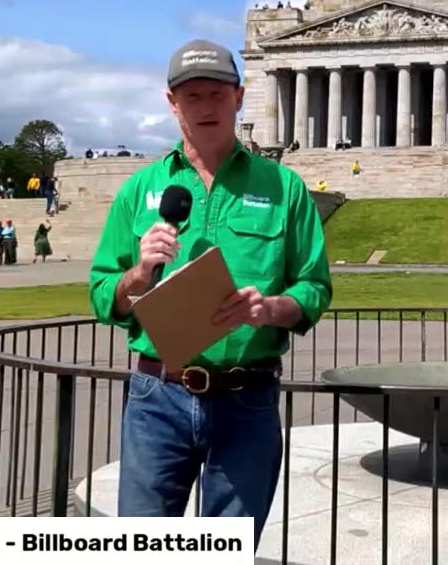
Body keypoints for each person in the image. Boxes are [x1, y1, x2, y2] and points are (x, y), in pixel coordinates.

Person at [88, 38, 332, 543]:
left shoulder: (284, 188)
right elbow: (100, 294)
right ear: (172, 102)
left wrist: (270, 309)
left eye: (216, 94)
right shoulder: (140, 189)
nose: (205, 107)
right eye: (191, 96)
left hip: (247, 399)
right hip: (158, 396)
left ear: (239, 97)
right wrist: (137, 275)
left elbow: (314, 287)